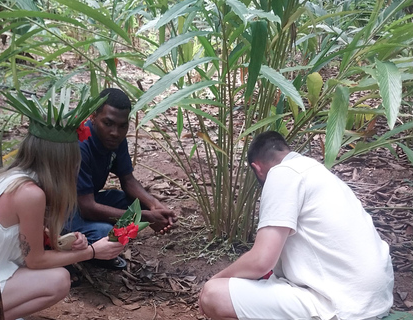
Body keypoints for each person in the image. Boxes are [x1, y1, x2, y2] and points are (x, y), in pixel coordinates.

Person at [0, 93, 125, 320]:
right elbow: (35, 261)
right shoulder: (31, 194)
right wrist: (92, 251)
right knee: (59, 280)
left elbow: (23, 245)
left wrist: (64, 245)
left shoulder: (15, 176)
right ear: (63, 160)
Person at [199, 131, 394, 320]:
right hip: (373, 301)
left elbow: (261, 261)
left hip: (343, 306)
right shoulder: (314, 170)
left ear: (257, 168)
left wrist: (217, 278)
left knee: (213, 294)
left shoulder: (281, 174)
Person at [64, 88, 177, 269]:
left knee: (133, 204)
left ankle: (100, 249)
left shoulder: (115, 139)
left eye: (122, 126)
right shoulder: (79, 145)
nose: (115, 132)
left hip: (84, 202)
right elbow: (87, 208)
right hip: (61, 212)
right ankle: (83, 255)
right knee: (107, 233)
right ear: (93, 117)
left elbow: (128, 180)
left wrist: (153, 205)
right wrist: (145, 218)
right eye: (108, 123)